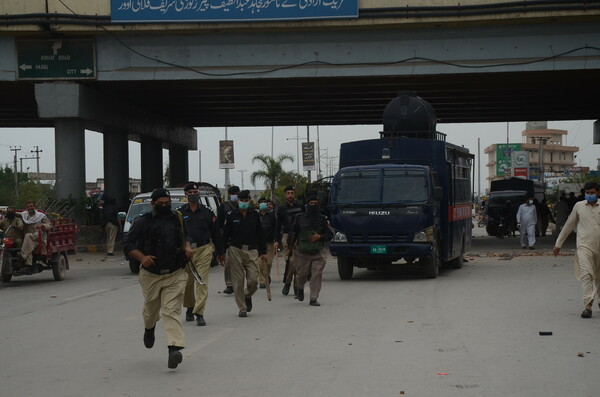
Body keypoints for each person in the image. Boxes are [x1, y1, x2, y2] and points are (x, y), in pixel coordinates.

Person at [124, 188, 193, 369]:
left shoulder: (177, 218)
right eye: (161, 204)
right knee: (150, 310)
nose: (165, 206)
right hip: (151, 275)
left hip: (175, 273)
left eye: (167, 203)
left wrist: (187, 247)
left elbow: (186, 236)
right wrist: (142, 258)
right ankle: (149, 328)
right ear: (153, 204)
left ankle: (174, 349)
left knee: (171, 310)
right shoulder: (142, 222)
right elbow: (128, 244)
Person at [553, 182, 600, 319]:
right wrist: (558, 244)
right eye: (587, 192)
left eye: (592, 192)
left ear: (598, 193)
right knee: (586, 274)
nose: (589, 195)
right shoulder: (579, 206)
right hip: (584, 246)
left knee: (599, 275)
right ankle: (588, 305)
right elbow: (569, 225)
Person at [180, 182, 223, 326]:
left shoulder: (207, 211)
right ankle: (190, 307)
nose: (193, 194)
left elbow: (216, 233)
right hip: (186, 252)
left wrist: (221, 252)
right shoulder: (180, 213)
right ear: (186, 195)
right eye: (190, 192)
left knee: (201, 281)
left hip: (204, 249)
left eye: (195, 192)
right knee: (187, 282)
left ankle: (199, 312)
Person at [219, 190, 267, 317]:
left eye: (246, 201)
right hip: (235, 250)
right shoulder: (231, 215)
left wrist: (263, 252)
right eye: (242, 201)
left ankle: (247, 295)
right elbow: (225, 235)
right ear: (238, 201)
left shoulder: (254, 215)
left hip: (252, 251)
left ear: (249, 201)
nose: (244, 203)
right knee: (238, 281)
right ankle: (242, 308)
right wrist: (222, 253)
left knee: (253, 281)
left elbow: (260, 234)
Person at [291, 193, 333, 306]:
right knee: (301, 275)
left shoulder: (323, 219)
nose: (313, 205)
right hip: (302, 252)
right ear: (307, 205)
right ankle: (299, 287)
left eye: (315, 203)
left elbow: (330, 234)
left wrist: (319, 237)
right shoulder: (299, 218)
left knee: (316, 274)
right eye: (311, 203)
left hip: (317, 253)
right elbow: (294, 233)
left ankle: (313, 298)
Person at [275, 185, 304, 296]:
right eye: (288, 193)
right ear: (285, 195)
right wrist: (277, 240)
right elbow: (277, 226)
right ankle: (288, 283)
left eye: (292, 193)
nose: (290, 195)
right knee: (290, 261)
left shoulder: (300, 206)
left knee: (297, 263)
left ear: (294, 194)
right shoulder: (282, 208)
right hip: (287, 237)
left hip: (299, 237)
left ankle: (294, 286)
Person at [218, 185, 240, 295]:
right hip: (227, 237)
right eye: (233, 194)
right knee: (228, 263)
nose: (235, 196)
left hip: (239, 237)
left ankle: (238, 283)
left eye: (237, 194)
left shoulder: (242, 206)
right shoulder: (224, 206)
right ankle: (229, 284)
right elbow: (219, 222)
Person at [20, 201, 52, 268]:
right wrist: (3, 211)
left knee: (28, 236)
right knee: (29, 244)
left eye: (32, 206)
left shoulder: (40, 215)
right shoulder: (24, 215)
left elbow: (49, 225)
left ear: (35, 207)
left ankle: (22, 256)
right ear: (26, 208)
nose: (30, 208)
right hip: (29, 237)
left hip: (38, 237)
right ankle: (28, 265)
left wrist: (42, 225)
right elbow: (12, 212)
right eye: (29, 206)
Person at [257, 197, 276, 289]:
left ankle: (266, 275)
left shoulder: (272, 216)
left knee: (268, 263)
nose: (263, 204)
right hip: (259, 243)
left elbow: (276, 228)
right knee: (261, 262)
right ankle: (262, 280)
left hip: (270, 242)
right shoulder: (255, 216)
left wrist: (277, 240)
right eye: (261, 203)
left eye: (265, 202)